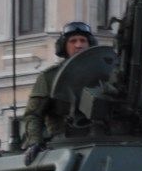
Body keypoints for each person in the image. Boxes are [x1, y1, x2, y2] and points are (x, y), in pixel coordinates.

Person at [19, 20, 99, 153]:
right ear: (64, 46)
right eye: (73, 41)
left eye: (83, 40)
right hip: (64, 143)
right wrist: (34, 142)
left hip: (102, 140)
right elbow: (33, 114)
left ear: (90, 44)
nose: (79, 45)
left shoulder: (104, 74)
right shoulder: (50, 77)